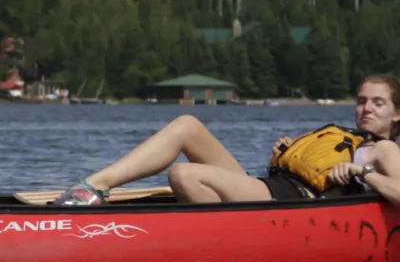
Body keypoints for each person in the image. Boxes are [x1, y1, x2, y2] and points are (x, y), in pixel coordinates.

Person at [57, 75, 400, 206]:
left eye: (378, 103)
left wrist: (362, 174)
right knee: (187, 124)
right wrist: (287, 154)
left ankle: (217, 239)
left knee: (184, 174)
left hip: (288, 205)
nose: (366, 108)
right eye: (361, 100)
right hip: (269, 187)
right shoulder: (350, 138)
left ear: (396, 114)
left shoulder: (384, 149)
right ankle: (93, 186)